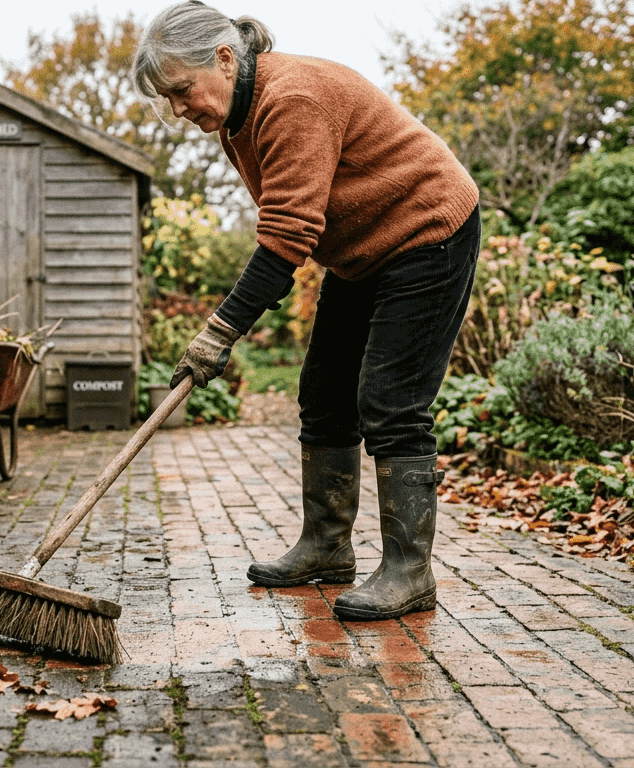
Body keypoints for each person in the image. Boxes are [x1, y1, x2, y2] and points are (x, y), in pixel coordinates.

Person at [132, 0, 481, 620]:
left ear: (223, 57)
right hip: (363, 249)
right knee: (323, 395)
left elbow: (286, 236)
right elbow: (293, 222)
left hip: (427, 230)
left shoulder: (292, 99)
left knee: (390, 401)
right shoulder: (237, 119)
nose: (181, 110)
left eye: (182, 91)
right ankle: (325, 547)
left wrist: (219, 331)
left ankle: (410, 571)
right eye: (169, 100)